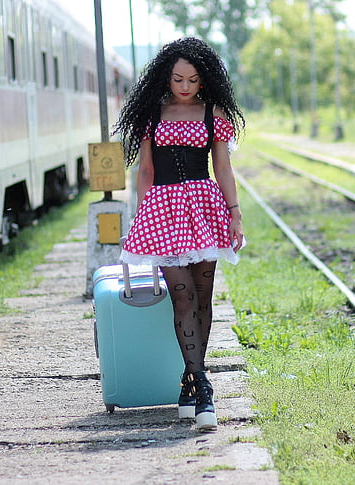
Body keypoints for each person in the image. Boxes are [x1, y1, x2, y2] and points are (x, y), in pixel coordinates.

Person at [112, 37, 245, 432]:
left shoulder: (212, 114)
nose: (184, 87)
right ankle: (202, 383)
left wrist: (235, 215)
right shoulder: (152, 115)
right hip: (165, 212)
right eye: (177, 79)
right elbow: (146, 171)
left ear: (203, 81)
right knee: (182, 296)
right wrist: (141, 216)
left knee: (203, 298)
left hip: (205, 208)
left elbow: (222, 168)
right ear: (165, 78)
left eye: (191, 80)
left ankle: (191, 381)